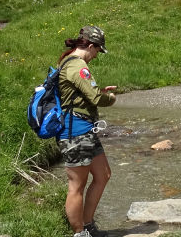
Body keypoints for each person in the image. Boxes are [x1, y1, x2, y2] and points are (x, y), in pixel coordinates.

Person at [57, 25, 117, 237]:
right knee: (77, 185)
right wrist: (108, 98)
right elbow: (93, 99)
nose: (96, 56)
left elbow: (83, 94)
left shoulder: (70, 63)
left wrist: (98, 91)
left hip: (85, 130)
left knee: (103, 175)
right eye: (97, 51)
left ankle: (88, 224)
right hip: (75, 131)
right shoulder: (77, 65)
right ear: (90, 46)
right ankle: (79, 233)